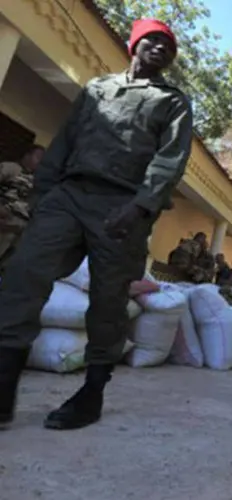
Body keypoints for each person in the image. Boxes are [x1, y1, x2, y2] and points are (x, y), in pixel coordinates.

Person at [0, 18, 193, 431]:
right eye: (153, 41)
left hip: (122, 206)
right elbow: (63, 144)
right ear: (134, 46)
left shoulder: (172, 102)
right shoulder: (96, 89)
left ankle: (92, 392)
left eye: (168, 46)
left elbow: (170, 160)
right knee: (23, 274)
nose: (160, 49)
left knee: (108, 300)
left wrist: (141, 207)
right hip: (68, 196)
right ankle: (3, 385)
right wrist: (42, 196)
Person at [0, 145, 45, 270]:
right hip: (5, 219)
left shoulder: (39, 182)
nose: (40, 162)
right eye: (38, 157)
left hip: (22, 229)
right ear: (27, 156)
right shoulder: (11, 168)